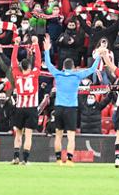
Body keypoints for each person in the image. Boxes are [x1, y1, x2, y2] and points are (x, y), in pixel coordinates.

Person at [43, 34, 101, 166]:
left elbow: (48, 64)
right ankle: (69, 160)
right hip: (71, 108)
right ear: (73, 67)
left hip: (58, 108)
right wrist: (97, 57)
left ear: (63, 67)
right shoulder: (77, 75)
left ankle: (58, 160)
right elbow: (93, 69)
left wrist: (46, 50)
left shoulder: (58, 74)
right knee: (71, 136)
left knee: (58, 134)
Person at [10, 36, 41, 165]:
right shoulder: (34, 74)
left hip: (20, 107)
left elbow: (13, 61)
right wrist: (36, 44)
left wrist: (16, 44)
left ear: (21, 66)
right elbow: (38, 61)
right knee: (28, 135)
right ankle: (25, 160)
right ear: (29, 66)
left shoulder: (17, 74)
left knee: (18, 134)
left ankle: (16, 157)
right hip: (32, 107)